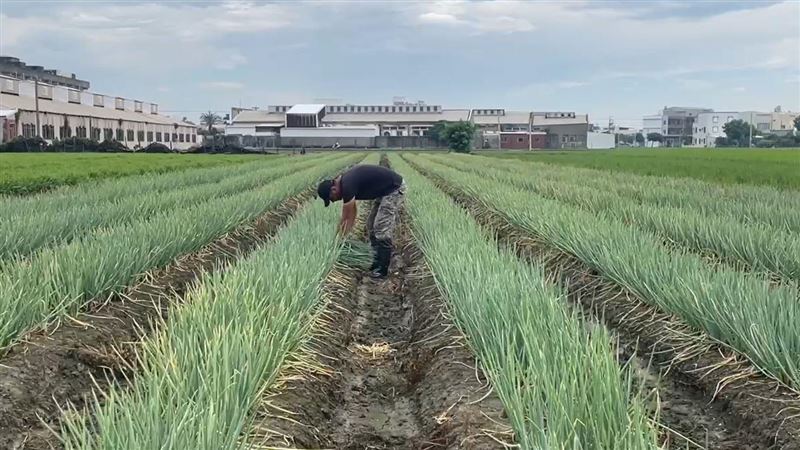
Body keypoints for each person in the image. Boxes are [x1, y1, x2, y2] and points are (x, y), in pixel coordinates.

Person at [317, 164, 405, 278]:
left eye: (331, 198)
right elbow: (352, 213)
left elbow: (346, 217)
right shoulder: (345, 183)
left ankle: (383, 269)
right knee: (370, 225)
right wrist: (341, 236)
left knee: (381, 228)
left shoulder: (347, 185)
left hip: (394, 189)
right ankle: (375, 261)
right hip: (384, 192)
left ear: (333, 189)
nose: (333, 201)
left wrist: (339, 241)